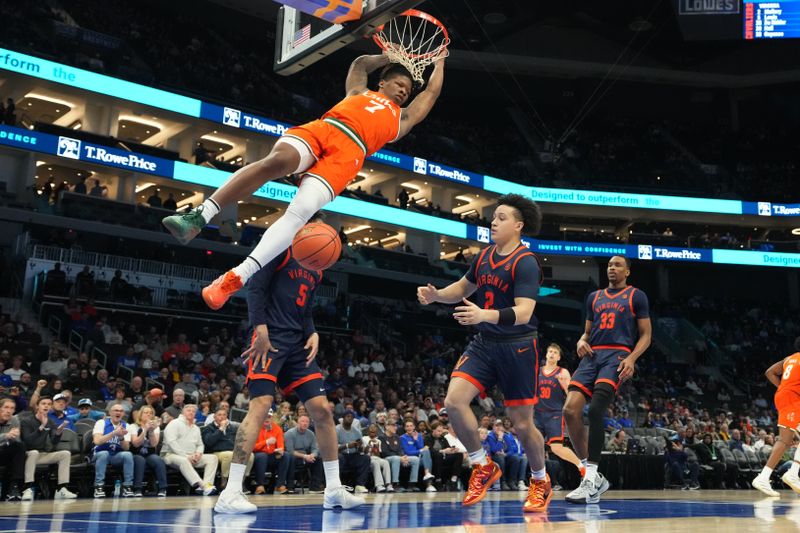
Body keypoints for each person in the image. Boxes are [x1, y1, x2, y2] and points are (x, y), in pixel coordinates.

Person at [163, 53, 446, 311]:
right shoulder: (358, 91)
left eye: (407, 91)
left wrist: (440, 62)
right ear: (382, 82)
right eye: (398, 84)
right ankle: (199, 216)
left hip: (349, 154)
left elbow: (431, 93)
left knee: (299, 214)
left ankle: (236, 276)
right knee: (273, 162)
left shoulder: (402, 118)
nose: (403, 91)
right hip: (325, 128)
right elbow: (359, 64)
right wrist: (388, 56)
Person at [214, 219, 363, 514]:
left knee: (322, 409)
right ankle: (230, 493)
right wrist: (260, 328)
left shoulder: (318, 267)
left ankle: (333, 490)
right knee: (261, 405)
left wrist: (313, 331)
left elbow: (305, 309)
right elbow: (255, 288)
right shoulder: (280, 248)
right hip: (269, 338)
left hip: (298, 344)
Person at [417, 194, 551, 512]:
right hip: (485, 344)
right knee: (452, 401)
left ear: (518, 226)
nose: (494, 221)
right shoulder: (484, 256)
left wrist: (484, 315)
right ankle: (482, 464)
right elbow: (462, 289)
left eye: (502, 217)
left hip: (518, 347)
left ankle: (541, 480)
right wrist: (437, 295)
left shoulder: (526, 262)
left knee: (521, 425)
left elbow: (523, 312)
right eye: (494, 216)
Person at [563, 255, 652, 505]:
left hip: (617, 355)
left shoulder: (637, 296)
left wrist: (632, 358)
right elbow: (587, 332)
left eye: (618, 265)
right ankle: (593, 476)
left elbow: (646, 334)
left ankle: (590, 480)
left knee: (596, 411)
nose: (612, 268)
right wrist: (582, 340)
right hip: (592, 355)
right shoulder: (594, 297)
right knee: (570, 410)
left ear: (627, 272)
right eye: (610, 265)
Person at [753, 337, 800, 496]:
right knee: (785, 441)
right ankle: (763, 477)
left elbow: (769, 372)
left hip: (785, 396)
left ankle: (793, 473)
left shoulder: (789, 358)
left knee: (789, 440)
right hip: (792, 398)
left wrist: (783, 387)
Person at [535, 343, 584, 477]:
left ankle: (581, 466)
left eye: (555, 352)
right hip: (537, 413)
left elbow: (571, 395)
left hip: (554, 414)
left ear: (558, 357)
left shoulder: (563, 372)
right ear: (546, 354)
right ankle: (539, 478)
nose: (551, 354)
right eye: (550, 351)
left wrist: (564, 384)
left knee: (556, 448)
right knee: (533, 447)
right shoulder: (537, 371)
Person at [21, 396, 78, 500]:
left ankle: (62, 489)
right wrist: (41, 427)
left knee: (65, 454)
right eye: (43, 403)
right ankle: (27, 489)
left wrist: (58, 433)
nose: (46, 406)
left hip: (42, 454)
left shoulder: (50, 422)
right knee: (33, 452)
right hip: (27, 455)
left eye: (49, 404)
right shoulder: (26, 421)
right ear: (37, 406)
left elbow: (54, 441)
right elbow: (27, 441)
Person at [161, 404, 219, 496]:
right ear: (183, 412)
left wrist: (198, 453)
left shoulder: (196, 428)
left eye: (193, 411)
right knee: (184, 460)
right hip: (171, 455)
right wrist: (186, 456)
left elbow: (200, 444)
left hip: (192, 456)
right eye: (188, 410)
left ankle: (207, 486)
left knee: (213, 458)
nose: (191, 412)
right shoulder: (174, 423)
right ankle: (203, 485)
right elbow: (172, 443)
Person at [202, 408, 254, 490]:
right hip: (216, 452)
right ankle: (224, 481)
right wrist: (221, 429)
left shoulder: (232, 428)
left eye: (224, 415)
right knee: (229, 455)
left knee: (249, 455)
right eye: (219, 415)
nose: (222, 417)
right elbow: (209, 442)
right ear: (214, 417)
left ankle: (241, 482)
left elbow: (240, 441)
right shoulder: (208, 428)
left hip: (232, 451)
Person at [92, 403, 135, 498]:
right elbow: (97, 441)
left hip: (115, 455)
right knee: (104, 453)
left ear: (123, 414)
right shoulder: (101, 423)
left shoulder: (126, 426)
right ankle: (99, 486)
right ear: (110, 413)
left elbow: (126, 448)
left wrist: (121, 438)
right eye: (116, 410)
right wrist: (113, 433)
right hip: (99, 454)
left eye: (121, 411)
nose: (118, 412)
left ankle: (127, 486)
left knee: (128, 455)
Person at [128, 405, 168, 497]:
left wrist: (151, 431)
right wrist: (145, 429)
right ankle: (137, 488)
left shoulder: (156, 427)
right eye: (146, 412)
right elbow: (136, 443)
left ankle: (163, 488)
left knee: (158, 460)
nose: (148, 414)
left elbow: (154, 444)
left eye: (151, 413)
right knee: (140, 460)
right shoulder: (133, 426)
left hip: (150, 453)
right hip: (136, 453)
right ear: (140, 415)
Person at [252, 412, 289, 494]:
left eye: (269, 417)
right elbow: (252, 447)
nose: (266, 419)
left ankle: (279, 485)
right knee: (262, 456)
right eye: (264, 416)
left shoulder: (277, 429)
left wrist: (279, 451)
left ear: (272, 418)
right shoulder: (255, 428)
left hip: (271, 455)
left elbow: (280, 446)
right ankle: (260, 486)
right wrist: (266, 442)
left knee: (285, 455)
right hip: (257, 455)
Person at [336, 410, 371, 494]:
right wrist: (347, 445)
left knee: (366, 458)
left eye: (352, 417)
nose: (350, 418)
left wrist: (362, 447)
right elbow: (333, 447)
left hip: (353, 455)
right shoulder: (336, 429)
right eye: (348, 416)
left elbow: (360, 449)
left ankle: (360, 485)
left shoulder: (357, 431)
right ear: (343, 418)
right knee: (339, 457)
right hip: (341, 454)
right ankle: (337, 485)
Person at [0, 397, 25, 501]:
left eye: (12, 408)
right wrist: (6, 436)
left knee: (20, 446)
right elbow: (7, 437)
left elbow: (16, 442)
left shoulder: (14, 420)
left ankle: (14, 486)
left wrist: (15, 437)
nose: (9, 411)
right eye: (6, 407)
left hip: (4, 451)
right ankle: (8, 489)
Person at [362, 423, 392, 492]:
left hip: (376, 457)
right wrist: (369, 444)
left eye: (374, 428)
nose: (372, 429)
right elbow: (364, 452)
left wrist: (377, 448)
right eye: (371, 428)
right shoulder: (364, 439)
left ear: (376, 431)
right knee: (375, 463)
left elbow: (378, 455)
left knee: (385, 462)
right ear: (368, 430)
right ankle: (379, 485)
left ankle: (388, 484)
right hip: (367, 458)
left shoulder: (378, 441)